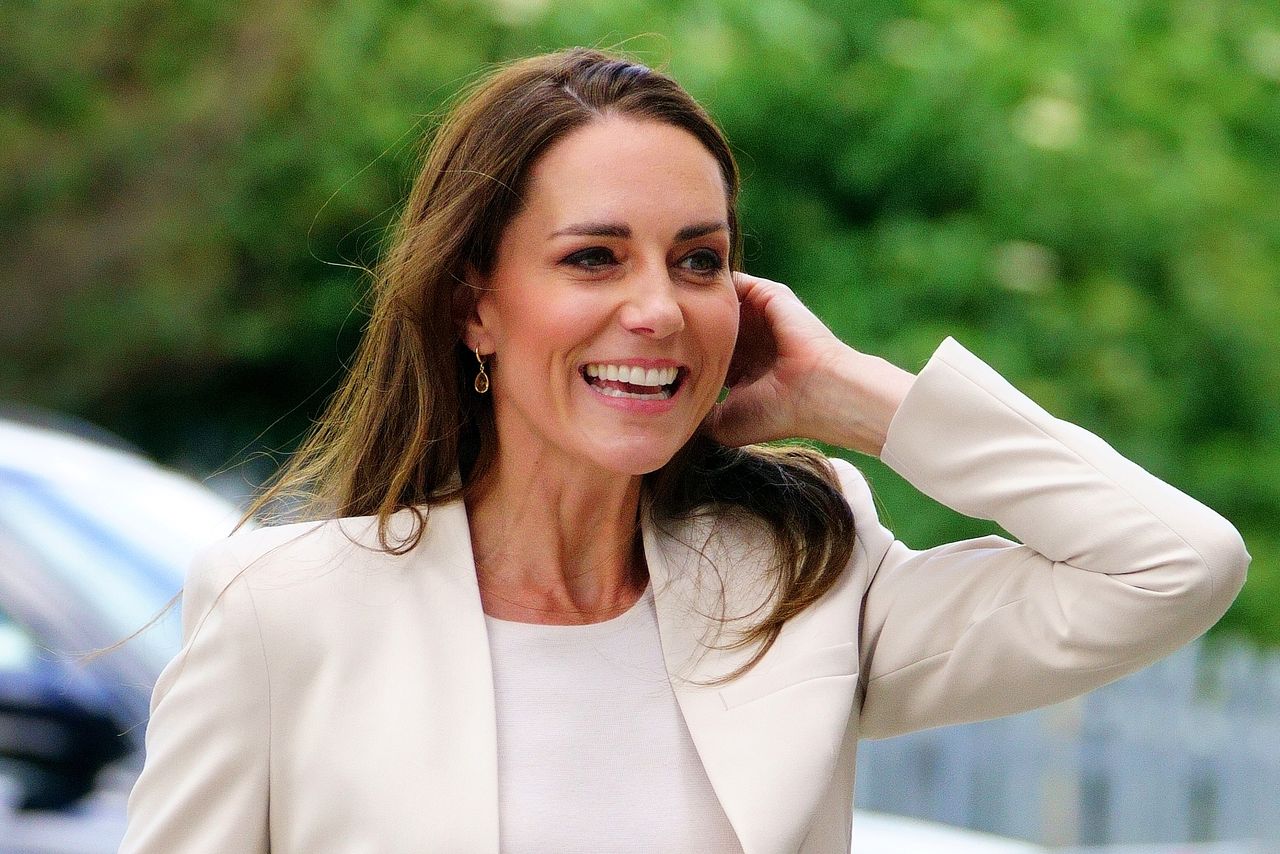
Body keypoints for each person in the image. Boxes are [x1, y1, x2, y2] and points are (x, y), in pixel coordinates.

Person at [118, 47, 1250, 854]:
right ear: (476, 303)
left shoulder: (802, 569)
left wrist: (854, 397)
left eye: (697, 260)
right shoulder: (284, 607)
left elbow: (1173, 564)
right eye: (594, 258)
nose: (658, 307)